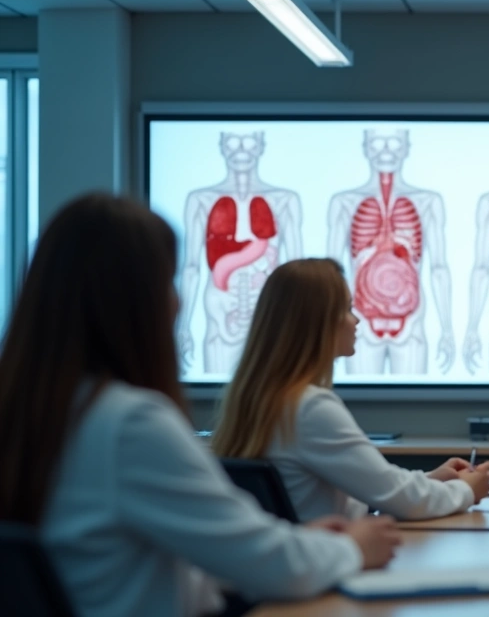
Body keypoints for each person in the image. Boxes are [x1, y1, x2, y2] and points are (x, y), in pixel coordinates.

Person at [0, 193, 402, 617]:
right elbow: (277, 568)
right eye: (168, 282)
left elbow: (123, 565)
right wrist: (351, 549)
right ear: (132, 301)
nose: (177, 302)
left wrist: (303, 543)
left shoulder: (31, 414)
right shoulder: (131, 425)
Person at [212, 258, 489, 522]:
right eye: (347, 309)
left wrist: (430, 480)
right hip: (327, 562)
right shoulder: (311, 407)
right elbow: (399, 499)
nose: (356, 320)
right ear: (318, 322)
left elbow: (371, 488)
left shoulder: (261, 399)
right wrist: (467, 491)